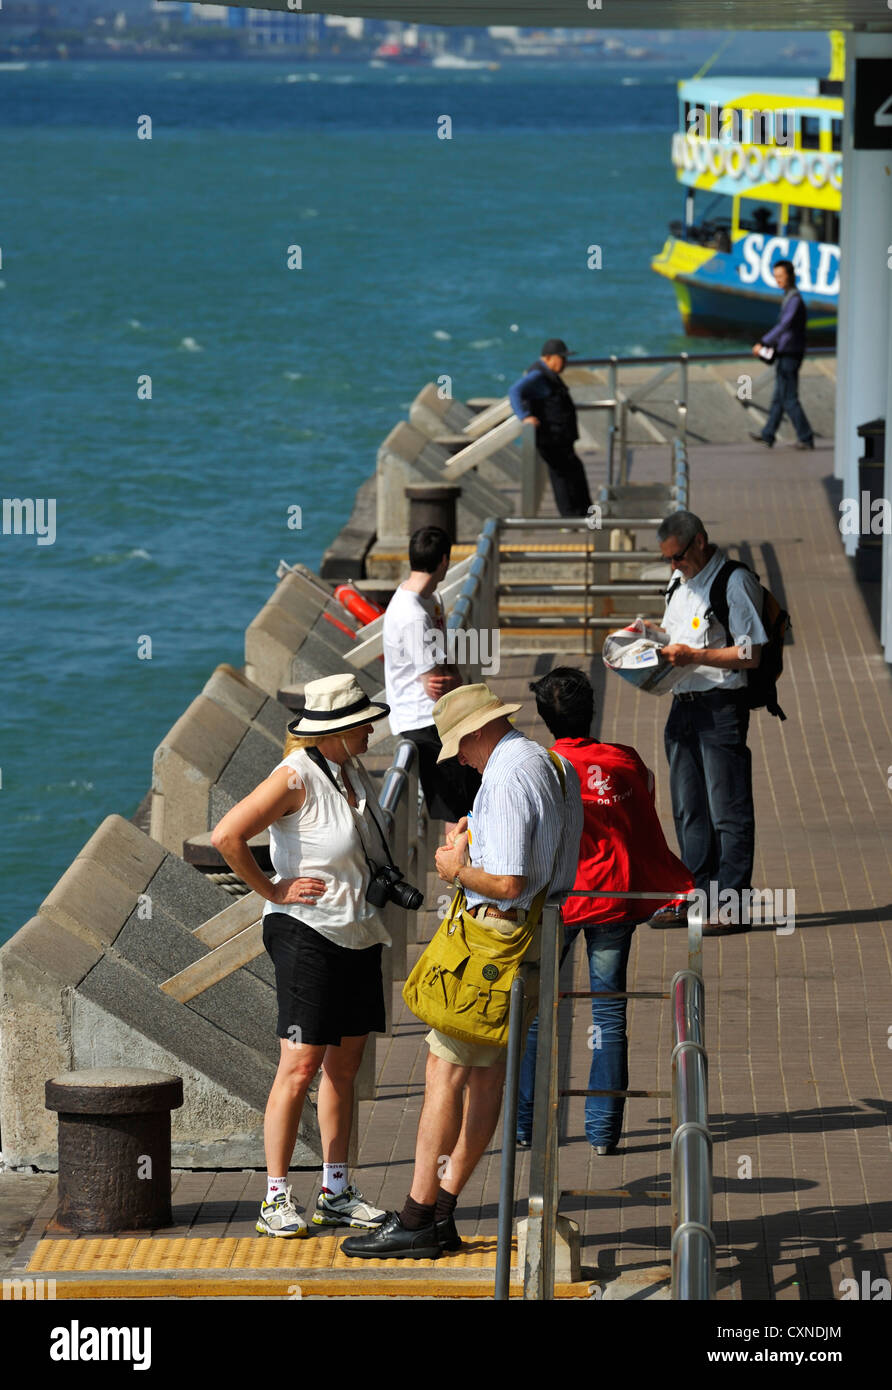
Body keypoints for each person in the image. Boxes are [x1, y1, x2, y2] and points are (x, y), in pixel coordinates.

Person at [341, 682, 583, 1259]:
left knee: (443, 1075)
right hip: (537, 938)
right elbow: (542, 867)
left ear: (476, 733)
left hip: (493, 943)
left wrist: (453, 867)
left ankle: (418, 1217)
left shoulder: (505, 777)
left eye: (460, 750)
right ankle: (441, 1211)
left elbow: (507, 885)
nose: (461, 760)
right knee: (485, 1079)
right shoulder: (549, 762)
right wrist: (474, 847)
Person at [210, 673, 398, 1238]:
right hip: (306, 935)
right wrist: (273, 889)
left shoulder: (349, 770)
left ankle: (336, 1192)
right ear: (337, 730)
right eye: (364, 721)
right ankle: (274, 1199)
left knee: (344, 1068)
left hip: (358, 932)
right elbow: (227, 836)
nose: (372, 728)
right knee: (298, 1068)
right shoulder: (294, 776)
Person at [516, 668, 692, 1154]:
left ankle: (525, 1125)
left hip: (561, 901)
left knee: (533, 1011)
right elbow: (642, 819)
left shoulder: (545, 765)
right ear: (591, 711)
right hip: (615, 899)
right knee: (609, 1014)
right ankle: (602, 1131)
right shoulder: (626, 761)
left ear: (545, 718)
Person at [646, 511, 767, 932]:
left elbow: (750, 654)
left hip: (721, 707)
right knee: (688, 809)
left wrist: (694, 656)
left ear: (700, 541)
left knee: (727, 809)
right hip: (683, 705)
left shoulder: (734, 581)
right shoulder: (678, 583)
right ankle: (697, 895)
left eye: (677, 556)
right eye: (667, 559)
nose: (673, 565)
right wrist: (648, 636)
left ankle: (731, 903)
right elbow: (676, 638)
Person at [382, 524, 480, 835]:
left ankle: (469, 871)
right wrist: (453, 678)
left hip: (439, 714)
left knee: (472, 796)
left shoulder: (429, 598)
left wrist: (453, 676)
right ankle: (458, 875)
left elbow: (444, 663)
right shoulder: (412, 613)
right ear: (443, 561)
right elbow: (436, 682)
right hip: (423, 720)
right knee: (456, 807)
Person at [508, 336, 593, 518]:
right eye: (561, 358)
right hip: (551, 438)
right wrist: (525, 417)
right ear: (547, 358)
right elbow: (515, 391)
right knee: (562, 476)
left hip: (561, 437)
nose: (565, 362)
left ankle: (584, 513)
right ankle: (571, 517)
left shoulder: (549, 375)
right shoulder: (538, 375)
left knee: (573, 472)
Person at [749, 259, 815, 450]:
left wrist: (763, 342)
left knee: (789, 398)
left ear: (790, 276)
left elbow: (784, 325)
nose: (777, 280)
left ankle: (806, 437)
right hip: (785, 352)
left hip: (791, 354)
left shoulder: (794, 300)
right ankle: (768, 435)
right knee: (779, 397)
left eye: (780, 276)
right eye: (775, 276)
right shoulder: (789, 296)